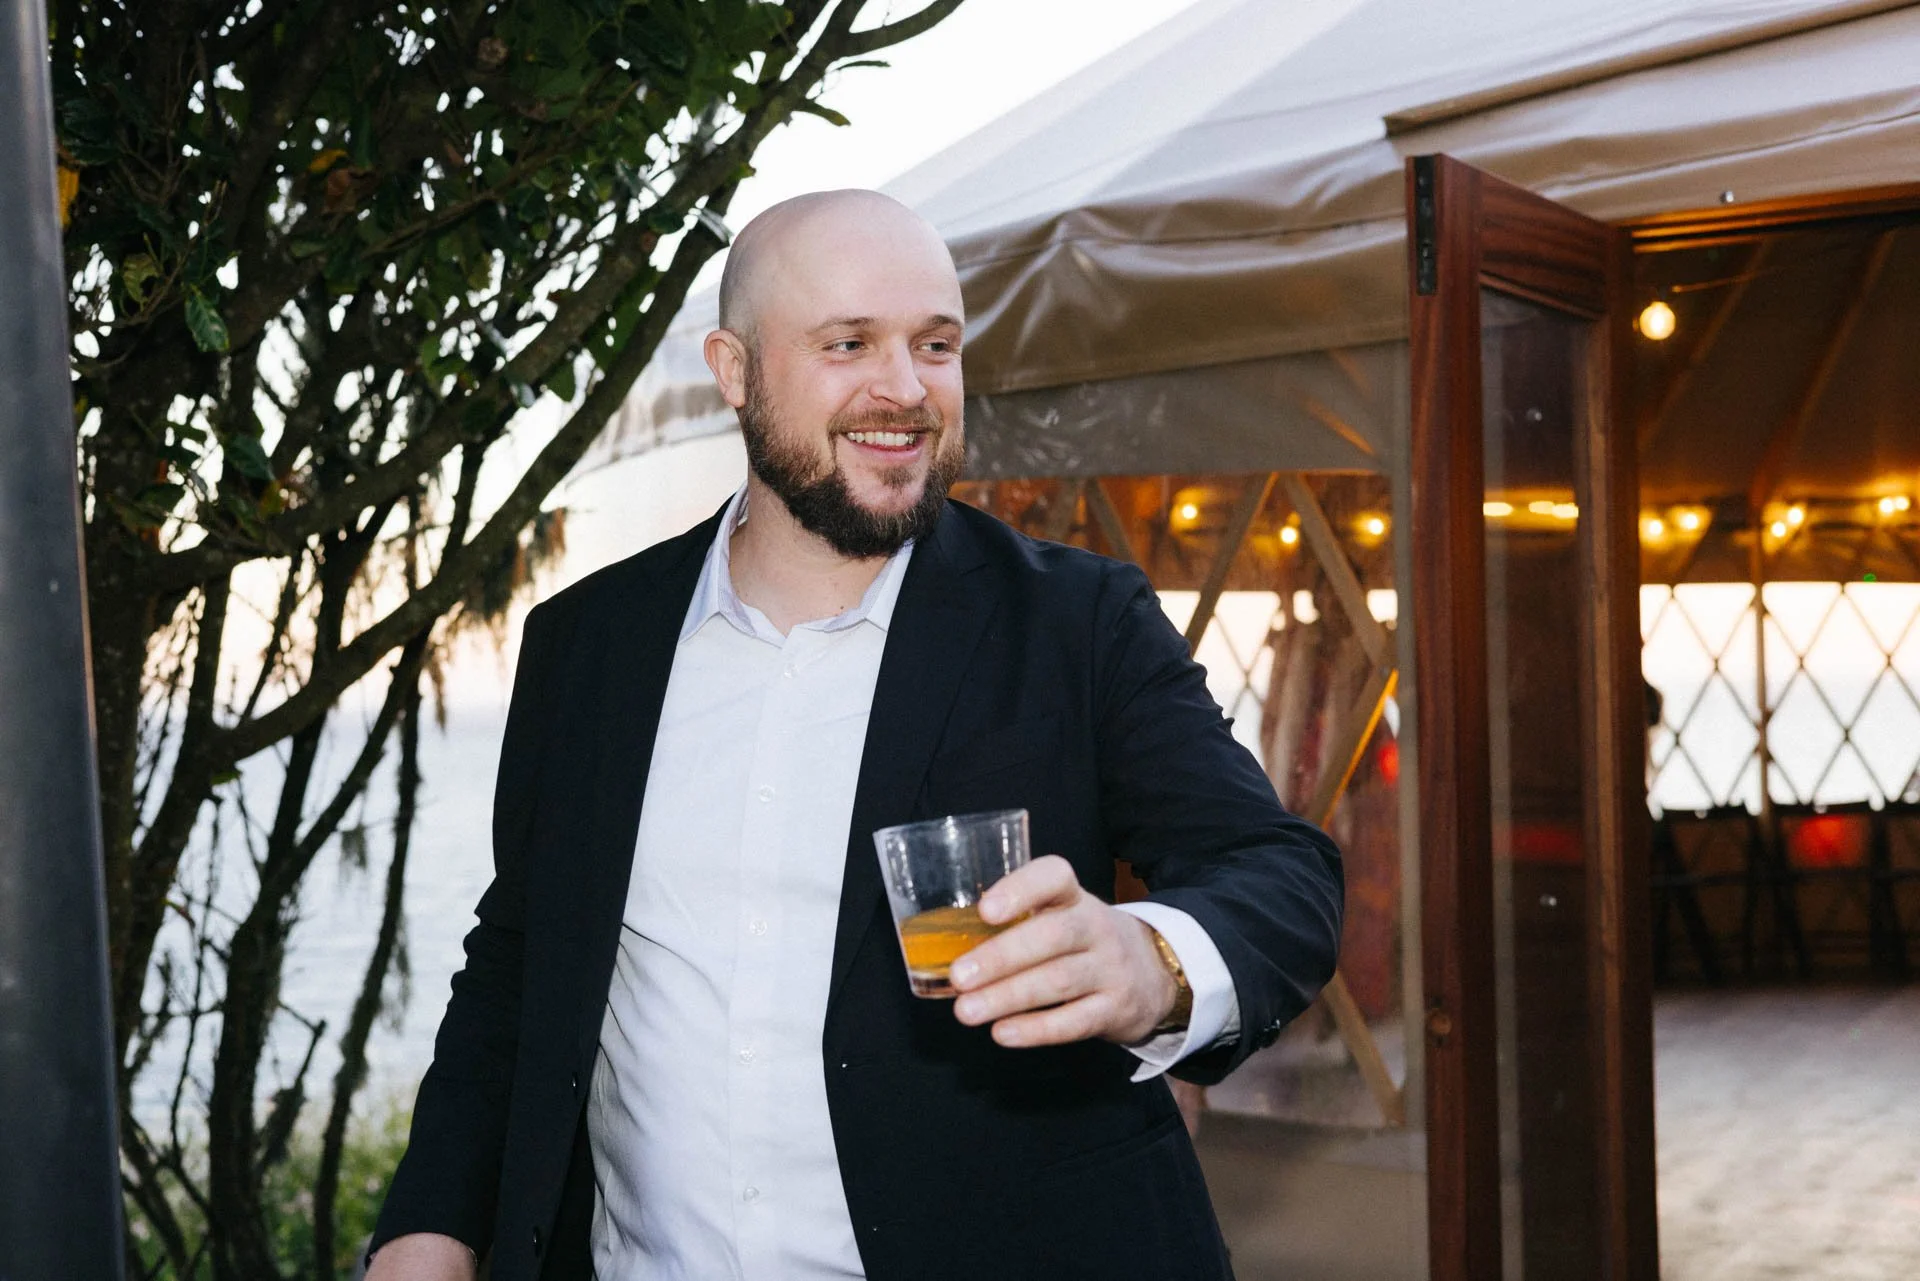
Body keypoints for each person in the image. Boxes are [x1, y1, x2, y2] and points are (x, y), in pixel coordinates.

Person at [366, 190, 1342, 1281]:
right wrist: (431, 1224)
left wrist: (1150, 959)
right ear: (734, 371)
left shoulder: (1077, 624)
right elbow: (519, 962)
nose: (906, 389)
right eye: (849, 344)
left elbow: (1280, 876)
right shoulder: (587, 646)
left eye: (936, 345)